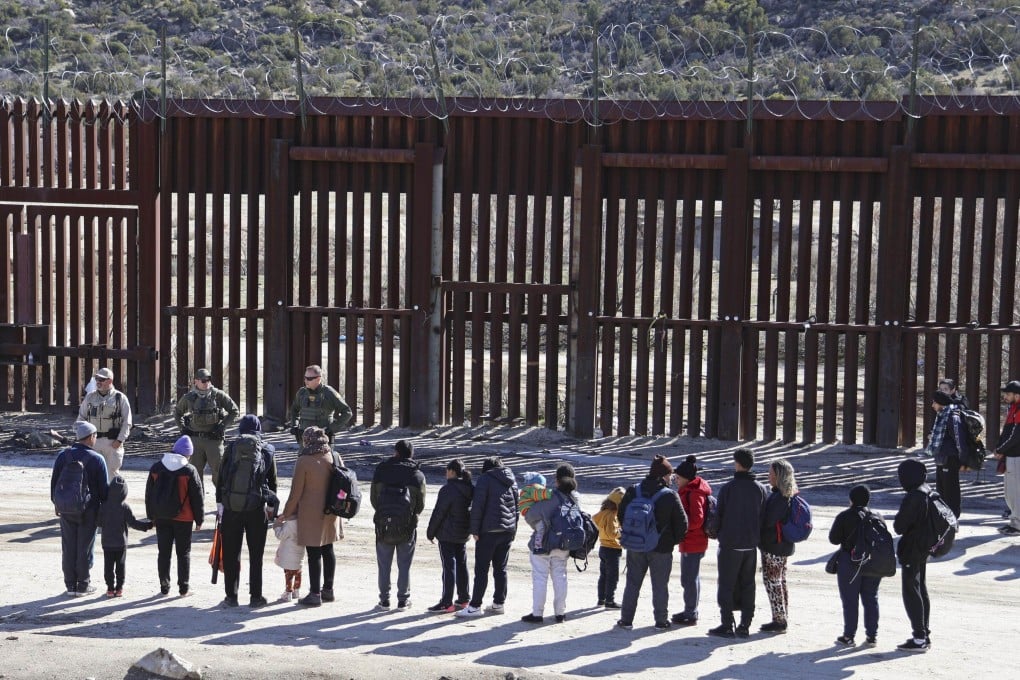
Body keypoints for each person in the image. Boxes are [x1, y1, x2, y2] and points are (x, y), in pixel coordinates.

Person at [616, 455, 688, 631]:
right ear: (664, 475)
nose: (671, 479)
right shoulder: (670, 495)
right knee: (660, 586)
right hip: (661, 548)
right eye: (670, 475)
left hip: (635, 545)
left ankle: (626, 620)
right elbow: (682, 524)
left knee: (632, 583)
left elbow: (621, 516)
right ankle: (661, 622)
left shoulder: (633, 490)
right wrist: (671, 541)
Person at [216, 414, 278, 608]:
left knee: (231, 553)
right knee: (256, 555)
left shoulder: (231, 447)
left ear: (240, 429)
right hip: (256, 507)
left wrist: (220, 504)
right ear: (259, 430)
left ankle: (231, 597)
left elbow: (221, 478)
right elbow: (272, 483)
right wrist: (270, 507)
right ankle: (256, 597)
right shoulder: (267, 450)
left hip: (232, 506)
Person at [276, 427, 341, 607]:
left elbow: (295, 493)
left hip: (311, 514)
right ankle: (328, 590)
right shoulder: (333, 455)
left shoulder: (304, 460)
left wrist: (285, 514)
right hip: (332, 511)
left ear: (307, 440)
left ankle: (314, 594)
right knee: (328, 550)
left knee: (314, 553)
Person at [708, 447, 769, 638]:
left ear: (737, 464)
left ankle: (727, 623)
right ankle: (745, 625)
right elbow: (764, 516)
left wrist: (713, 531)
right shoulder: (760, 489)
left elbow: (719, 515)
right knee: (748, 584)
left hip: (730, 544)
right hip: (750, 545)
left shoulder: (728, 488)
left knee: (726, 584)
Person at [51, 421, 109, 596]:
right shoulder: (97, 459)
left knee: (68, 546)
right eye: (95, 436)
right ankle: (83, 585)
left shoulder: (63, 455)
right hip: (88, 509)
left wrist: (56, 503)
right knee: (85, 546)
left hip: (66, 508)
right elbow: (104, 490)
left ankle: (70, 585)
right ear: (91, 437)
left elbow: (55, 482)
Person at [456, 456, 518, 618]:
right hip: (507, 530)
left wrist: (474, 530)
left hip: (488, 531)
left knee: (482, 570)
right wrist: (513, 529)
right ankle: (499, 603)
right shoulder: (511, 479)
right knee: (501, 569)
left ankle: (475, 605)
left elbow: (478, 506)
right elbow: (516, 507)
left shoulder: (485, 479)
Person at [145, 435, 204, 597]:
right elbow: (197, 497)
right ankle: (183, 588)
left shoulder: (157, 467)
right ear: (187, 454)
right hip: (184, 519)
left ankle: (164, 587)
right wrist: (199, 520)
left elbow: (149, 494)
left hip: (161, 517)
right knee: (183, 553)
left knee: (163, 552)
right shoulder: (189, 470)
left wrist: (151, 516)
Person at [371, 440, 427, 610]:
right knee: (404, 565)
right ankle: (403, 600)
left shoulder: (381, 469)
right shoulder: (417, 475)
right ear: (411, 454)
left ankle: (384, 600)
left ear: (395, 452)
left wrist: (385, 513)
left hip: (384, 524)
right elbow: (420, 505)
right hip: (407, 525)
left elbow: (374, 499)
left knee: (384, 564)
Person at [521, 474, 581, 624]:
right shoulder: (574, 502)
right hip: (564, 545)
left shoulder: (550, 498)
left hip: (544, 544)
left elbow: (530, 515)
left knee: (540, 578)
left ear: (557, 483)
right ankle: (560, 614)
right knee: (560, 577)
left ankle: (537, 614)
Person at [829, 484, 882, 647]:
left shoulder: (844, 516)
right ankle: (872, 636)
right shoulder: (877, 516)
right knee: (871, 598)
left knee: (850, 600)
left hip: (849, 561)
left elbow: (834, 539)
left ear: (851, 499)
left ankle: (849, 636)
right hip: (872, 562)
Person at [174, 368, 240, 491]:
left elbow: (234, 411)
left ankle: (222, 501)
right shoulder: (189, 397)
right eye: (203, 380)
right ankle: (198, 501)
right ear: (196, 382)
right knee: (194, 472)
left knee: (219, 470)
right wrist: (182, 428)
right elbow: (177, 412)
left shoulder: (218, 395)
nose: (206, 383)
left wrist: (222, 426)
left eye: (208, 380)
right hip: (195, 441)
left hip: (214, 440)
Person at [893, 458, 933, 651]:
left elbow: (899, 526)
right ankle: (924, 633)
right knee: (920, 588)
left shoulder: (913, 496)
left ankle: (919, 637)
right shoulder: (928, 490)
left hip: (912, 549)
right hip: (924, 547)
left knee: (911, 591)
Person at [425, 459, 474, 613]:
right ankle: (464, 598)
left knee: (449, 567)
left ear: (452, 471)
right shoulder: (470, 488)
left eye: (447, 470)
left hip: (447, 533)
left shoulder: (448, 489)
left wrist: (430, 532)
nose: (446, 473)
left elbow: (439, 512)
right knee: (461, 564)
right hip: (463, 532)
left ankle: (447, 601)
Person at [759, 459, 798, 634]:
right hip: (782, 546)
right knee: (780, 582)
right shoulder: (788, 494)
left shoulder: (779, 498)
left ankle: (780, 620)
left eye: (771, 473)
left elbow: (768, 521)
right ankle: (781, 617)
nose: (769, 475)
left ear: (779, 475)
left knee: (773, 583)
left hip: (774, 546)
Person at [98, 474, 153, 597]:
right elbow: (133, 523)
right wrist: (148, 525)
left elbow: (98, 523)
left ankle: (110, 589)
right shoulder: (124, 507)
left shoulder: (104, 506)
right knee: (120, 566)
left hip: (107, 543)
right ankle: (119, 588)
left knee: (108, 567)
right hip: (121, 543)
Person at [672, 455, 711, 626]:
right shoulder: (691, 491)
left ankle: (690, 612)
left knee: (688, 578)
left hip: (693, 541)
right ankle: (691, 610)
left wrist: (681, 526)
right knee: (691, 578)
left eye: (678, 478)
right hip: (693, 540)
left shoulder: (694, 493)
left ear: (686, 478)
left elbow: (697, 520)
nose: (675, 480)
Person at [77, 366, 132, 482]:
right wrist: (82, 438)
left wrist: (119, 441)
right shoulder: (90, 397)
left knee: (112, 474)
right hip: (92, 442)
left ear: (110, 381)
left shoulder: (120, 398)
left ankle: (113, 499)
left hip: (112, 443)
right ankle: (93, 499)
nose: (98, 382)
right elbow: (81, 419)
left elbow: (127, 422)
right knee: (91, 473)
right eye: (97, 379)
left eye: (102, 379)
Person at [287, 365, 353, 446]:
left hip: (322, 438)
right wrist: (294, 425)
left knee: (324, 458)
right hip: (304, 439)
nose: (306, 381)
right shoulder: (302, 393)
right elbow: (294, 409)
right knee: (304, 458)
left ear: (318, 379)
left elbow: (347, 412)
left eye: (309, 379)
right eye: (305, 378)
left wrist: (332, 428)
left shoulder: (329, 393)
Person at [927, 390, 965, 518]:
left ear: (941, 403)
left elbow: (958, 437)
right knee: (941, 488)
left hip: (950, 457)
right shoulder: (942, 415)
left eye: (934, 402)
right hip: (942, 457)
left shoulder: (951, 416)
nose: (933, 405)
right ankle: (944, 515)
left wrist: (963, 457)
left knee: (950, 489)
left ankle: (953, 515)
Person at [993, 380, 1020, 535]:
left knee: (1015, 492)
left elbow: (1015, 436)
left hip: (1016, 456)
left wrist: (1001, 449)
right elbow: (1008, 432)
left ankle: (1017, 524)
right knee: (1010, 491)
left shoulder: (1018, 409)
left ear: (1017, 395)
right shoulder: (1014, 408)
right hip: (1011, 455)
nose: (1005, 397)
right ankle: (1014, 521)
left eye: (1008, 394)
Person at [593, 487, 624, 609]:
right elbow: (612, 532)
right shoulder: (612, 515)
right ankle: (610, 601)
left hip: (603, 547)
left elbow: (594, 519)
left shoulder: (603, 512)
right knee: (612, 577)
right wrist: (621, 533)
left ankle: (601, 599)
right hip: (613, 549)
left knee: (603, 575)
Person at [273, 515, 304, 602]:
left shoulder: (290, 523)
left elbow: (281, 535)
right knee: (298, 572)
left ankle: (288, 592)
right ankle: (296, 590)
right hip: (299, 552)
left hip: (288, 553)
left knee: (288, 573)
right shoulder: (303, 521)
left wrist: (277, 524)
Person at [518, 471, 551, 551]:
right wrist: (552, 493)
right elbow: (541, 494)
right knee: (541, 528)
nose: (544, 488)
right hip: (532, 512)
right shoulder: (534, 488)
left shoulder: (528, 489)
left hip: (528, 513)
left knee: (539, 528)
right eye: (543, 486)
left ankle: (539, 543)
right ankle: (538, 546)